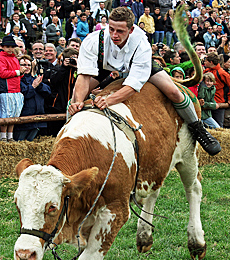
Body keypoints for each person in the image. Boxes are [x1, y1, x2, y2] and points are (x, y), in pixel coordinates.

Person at [68, 7, 221, 156]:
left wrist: (108, 100)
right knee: (74, 98)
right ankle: (67, 137)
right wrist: (78, 102)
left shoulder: (142, 44)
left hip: (135, 63)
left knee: (174, 92)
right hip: (105, 64)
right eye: (111, 29)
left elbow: (133, 85)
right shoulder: (93, 40)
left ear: (131, 30)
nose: (114, 35)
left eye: (120, 31)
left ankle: (199, 129)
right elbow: (83, 75)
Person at [14, 55, 51, 141]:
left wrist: (38, 85)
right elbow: (25, 94)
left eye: (28, 65)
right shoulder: (16, 80)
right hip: (23, 119)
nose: (26, 67)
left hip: (37, 119)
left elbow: (47, 92)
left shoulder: (34, 78)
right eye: (23, 65)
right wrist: (33, 86)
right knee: (19, 142)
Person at [0, 35, 25, 142]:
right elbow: (2, 73)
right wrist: (18, 72)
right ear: (3, 47)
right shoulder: (1, 58)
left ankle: (10, 136)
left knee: (14, 114)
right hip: (7, 90)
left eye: (11, 46)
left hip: (16, 90)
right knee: (6, 114)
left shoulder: (14, 58)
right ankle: (3, 136)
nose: (10, 49)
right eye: (7, 46)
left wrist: (22, 72)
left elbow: (18, 74)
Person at [204, 52, 230, 127]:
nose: (204, 62)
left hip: (219, 103)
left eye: (206, 61)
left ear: (211, 62)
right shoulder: (206, 71)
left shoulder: (222, 73)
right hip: (207, 103)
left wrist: (229, 98)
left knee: (219, 126)